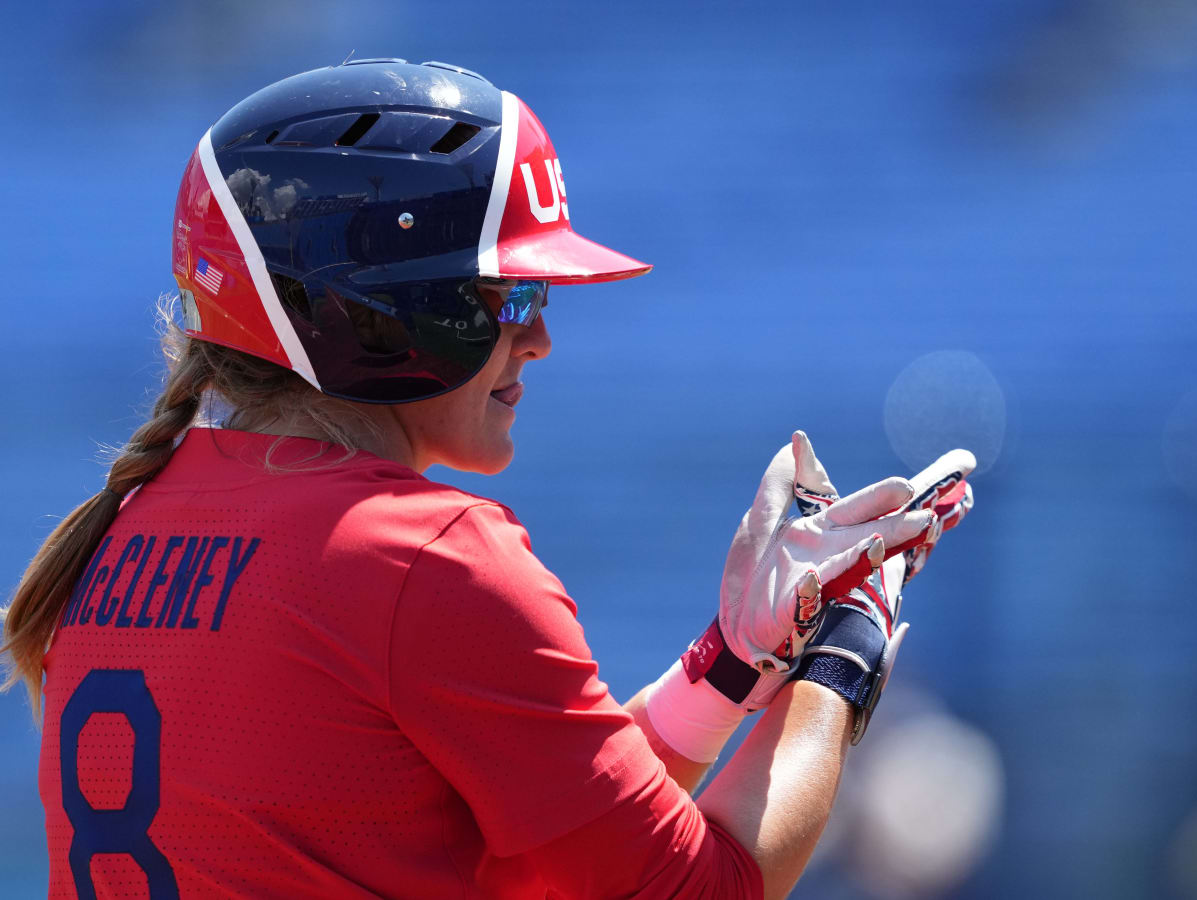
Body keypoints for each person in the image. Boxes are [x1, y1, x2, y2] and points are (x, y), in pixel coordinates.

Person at [1, 59, 973, 899]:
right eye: (508, 296)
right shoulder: (424, 556)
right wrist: (845, 655)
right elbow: (697, 886)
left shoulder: (135, 519)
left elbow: (546, 849)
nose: (540, 338)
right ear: (376, 313)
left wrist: (729, 669)